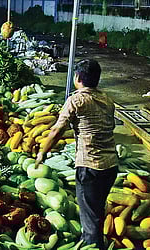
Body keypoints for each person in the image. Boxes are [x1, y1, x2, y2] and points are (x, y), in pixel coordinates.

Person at [35, 59, 118, 250]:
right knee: (96, 211)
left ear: (78, 77)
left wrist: (42, 153)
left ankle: (93, 246)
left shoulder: (76, 100)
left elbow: (57, 130)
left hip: (91, 166)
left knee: (89, 219)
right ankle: (96, 240)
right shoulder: (107, 99)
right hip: (111, 165)